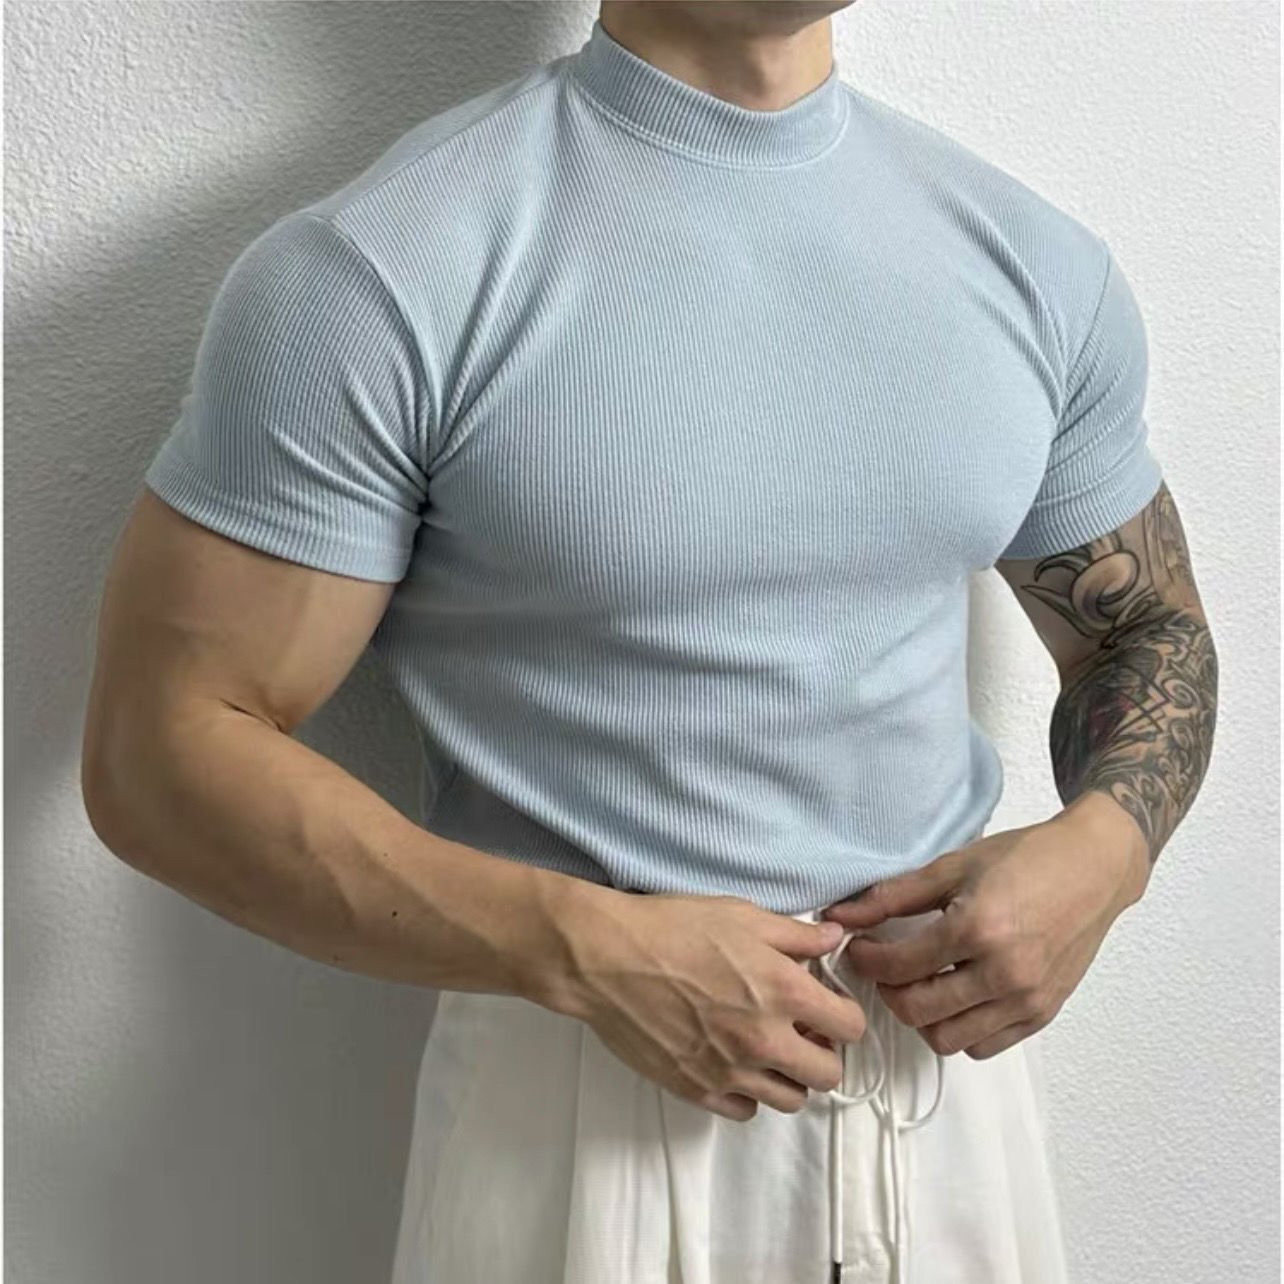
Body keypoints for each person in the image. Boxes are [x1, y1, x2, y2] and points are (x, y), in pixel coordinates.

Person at [81, 3, 1218, 1282]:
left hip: (942, 1097)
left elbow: (1145, 625)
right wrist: (578, 946)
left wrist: (1105, 854)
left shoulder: (1030, 260)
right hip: (583, 1096)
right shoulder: (383, 268)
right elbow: (159, 752)